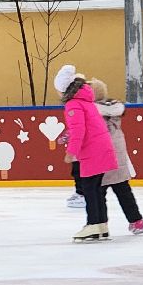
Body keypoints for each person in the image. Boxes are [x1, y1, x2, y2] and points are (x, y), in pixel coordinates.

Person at [54, 64, 118, 242]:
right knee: (97, 189)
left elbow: (78, 130)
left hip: (93, 151)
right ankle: (101, 226)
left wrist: (71, 152)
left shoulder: (73, 105)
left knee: (90, 189)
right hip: (101, 148)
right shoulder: (86, 102)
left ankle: (93, 224)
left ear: (64, 89)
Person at [91, 79, 143, 235]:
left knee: (98, 193)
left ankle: (101, 224)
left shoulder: (93, 112)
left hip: (102, 158)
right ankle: (137, 221)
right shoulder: (114, 110)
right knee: (124, 191)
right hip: (119, 158)